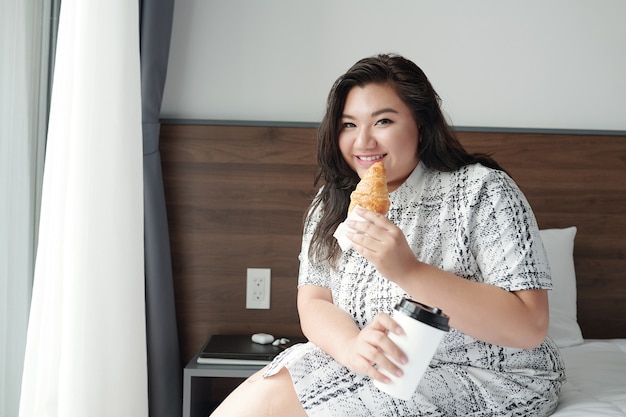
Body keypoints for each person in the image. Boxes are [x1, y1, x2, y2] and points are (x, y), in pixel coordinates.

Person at [210, 53, 565, 417]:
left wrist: (408, 271)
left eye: (382, 121)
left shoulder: (483, 190)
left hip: (492, 374)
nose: (363, 142)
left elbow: (529, 326)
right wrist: (351, 347)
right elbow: (315, 301)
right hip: (376, 360)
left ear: (421, 125)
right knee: (266, 391)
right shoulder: (331, 201)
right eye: (348, 125)